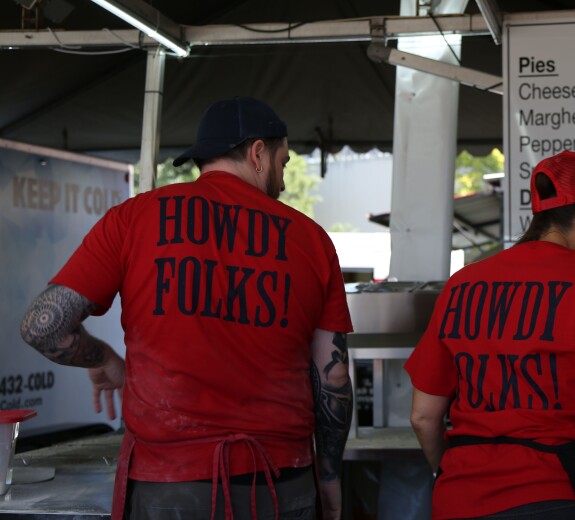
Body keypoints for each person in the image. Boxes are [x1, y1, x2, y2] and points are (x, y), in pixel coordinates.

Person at [19, 96, 353, 520]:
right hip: (281, 484)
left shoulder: (134, 218)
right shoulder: (312, 240)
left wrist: (102, 357)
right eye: (283, 163)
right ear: (257, 154)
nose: (284, 183)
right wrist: (329, 479)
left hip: (169, 486)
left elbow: (41, 326)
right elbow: (334, 376)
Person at [404, 150, 575, 519]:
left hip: (457, 499)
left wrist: (452, 474)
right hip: (556, 497)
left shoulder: (462, 284)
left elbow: (424, 417)